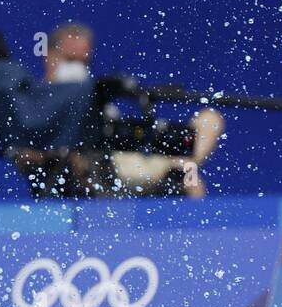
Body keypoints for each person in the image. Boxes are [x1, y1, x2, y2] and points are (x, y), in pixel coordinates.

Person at [13, 22, 225, 199]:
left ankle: (200, 239)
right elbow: (24, 154)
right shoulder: (33, 102)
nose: (76, 69)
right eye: (70, 60)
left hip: (124, 160)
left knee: (206, 129)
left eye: (83, 62)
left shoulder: (96, 96)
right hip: (89, 170)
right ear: (49, 56)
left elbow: (122, 136)